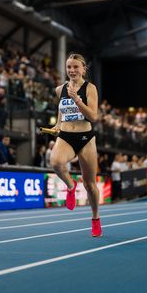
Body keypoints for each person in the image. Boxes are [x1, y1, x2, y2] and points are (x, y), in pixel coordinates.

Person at [43, 53, 102, 237]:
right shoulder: (60, 89)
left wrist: (77, 98)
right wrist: (57, 125)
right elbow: (62, 111)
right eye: (69, 67)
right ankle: (70, 186)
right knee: (55, 162)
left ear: (84, 69)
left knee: (90, 185)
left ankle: (95, 218)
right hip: (67, 135)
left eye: (76, 67)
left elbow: (93, 117)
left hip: (85, 137)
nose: (72, 70)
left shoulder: (90, 88)